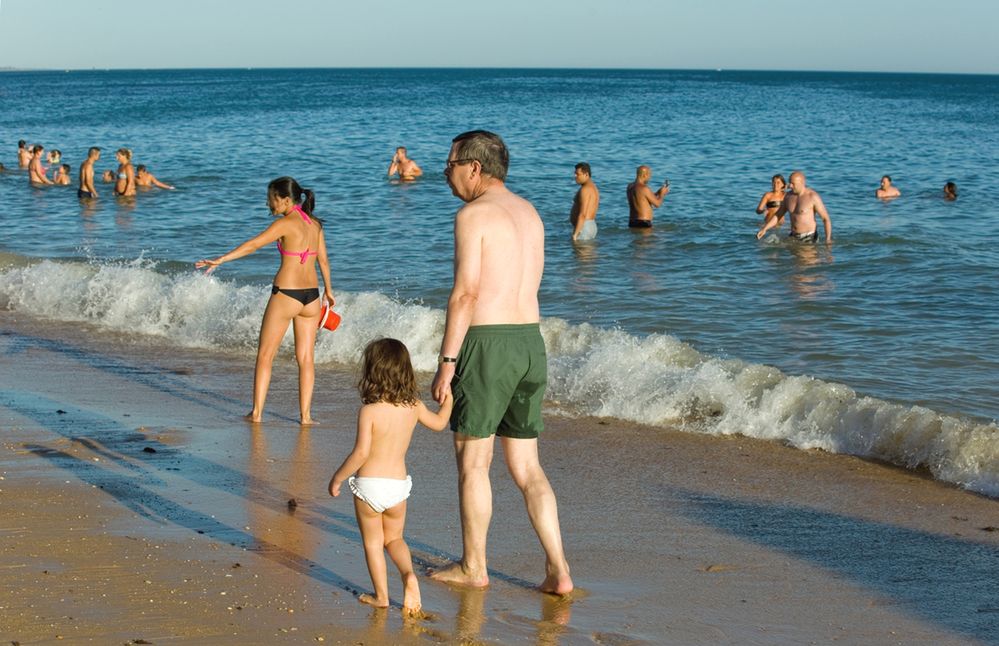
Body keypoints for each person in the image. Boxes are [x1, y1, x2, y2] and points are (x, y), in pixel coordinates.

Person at [430, 130, 573, 595]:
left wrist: (447, 362)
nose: (445, 174)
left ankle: (475, 566)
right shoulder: (530, 213)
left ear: (474, 167)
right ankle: (558, 569)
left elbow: (467, 293)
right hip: (530, 342)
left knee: (474, 461)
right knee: (528, 467)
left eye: (449, 164)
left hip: (488, 343)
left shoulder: (474, 214)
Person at [328, 338, 454, 615]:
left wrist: (337, 478)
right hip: (398, 487)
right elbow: (440, 423)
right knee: (395, 539)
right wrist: (449, 401)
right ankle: (408, 574)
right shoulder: (414, 406)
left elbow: (361, 454)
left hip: (369, 486)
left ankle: (381, 596)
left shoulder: (369, 411)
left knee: (373, 543)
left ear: (372, 372)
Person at [195, 176, 335, 424]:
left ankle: (257, 413)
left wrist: (221, 259)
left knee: (265, 356)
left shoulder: (285, 223)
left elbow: (253, 245)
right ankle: (306, 416)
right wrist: (329, 291)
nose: (268, 203)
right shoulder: (314, 224)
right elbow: (323, 260)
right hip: (311, 297)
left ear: (285, 199)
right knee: (306, 359)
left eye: (271, 198)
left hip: (286, 295)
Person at [757, 170, 832, 243]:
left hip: (809, 236)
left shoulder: (812, 197)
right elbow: (778, 215)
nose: (790, 186)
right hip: (793, 236)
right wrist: (765, 229)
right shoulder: (788, 196)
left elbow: (826, 219)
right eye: (789, 183)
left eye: (793, 183)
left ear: (801, 183)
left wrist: (828, 239)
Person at [570, 162, 599, 242]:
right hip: (590, 225)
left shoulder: (585, 189)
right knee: (588, 254)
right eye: (575, 174)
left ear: (586, 174)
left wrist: (575, 234)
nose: (575, 176)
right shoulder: (593, 187)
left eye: (577, 174)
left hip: (584, 227)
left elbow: (583, 214)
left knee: (581, 253)